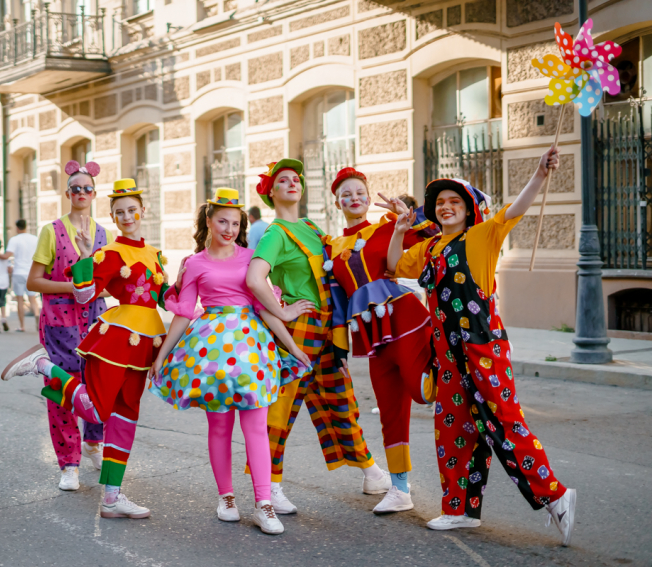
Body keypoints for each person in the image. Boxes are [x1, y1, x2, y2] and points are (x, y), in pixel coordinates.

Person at [387, 147, 577, 545]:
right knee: (453, 428)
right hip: (448, 355)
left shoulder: (483, 235)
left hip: (481, 347)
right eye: (439, 203)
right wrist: (400, 230)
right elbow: (393, 266)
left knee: (504, 423)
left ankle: (556, 495)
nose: (445, 207)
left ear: (469, 208)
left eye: (454, 201)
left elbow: (517, 208)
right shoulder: (429, 249)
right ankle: (458, 510)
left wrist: (540, 175)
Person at [3, 178, 171, 519]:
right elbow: (84, 295)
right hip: (114, 341)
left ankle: (112, 497)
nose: (127, 217)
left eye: (132, 210)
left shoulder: (154, 254)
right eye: (120, 212)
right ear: (112, 215)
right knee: (97, 411)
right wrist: (84, 259)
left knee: (125, 420)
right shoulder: (110, 252)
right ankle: (44, 366)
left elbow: (164, 297)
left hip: (144, 346)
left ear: (143, 210)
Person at [147, 188, 312, 535]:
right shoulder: (194, 264)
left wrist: (293, 347)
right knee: (219, 427)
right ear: (208, 220)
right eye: (222, 221)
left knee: (255, 426)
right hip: (210, 355)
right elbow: (182, 314)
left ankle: (264, 504)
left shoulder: (251, 258)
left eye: (235, 223)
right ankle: (226, 498)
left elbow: (264, 308)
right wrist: (162, 356)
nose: (229, 229)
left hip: (252, 352)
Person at [244, 159, 390, 515]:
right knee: (281, 408)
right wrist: (283, 312)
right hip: (298, 328)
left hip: (327, 327)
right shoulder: (275, 233)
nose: (292, 183)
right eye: (283, 180)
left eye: (296, 179)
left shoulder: (310, 226)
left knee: (341, 398)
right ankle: (270, 485)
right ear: (271, 192)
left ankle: (370, 471)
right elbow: (254, 278)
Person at [325, 168, 436, 514]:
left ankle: (456, 371)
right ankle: (400, 488)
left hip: (405, 317)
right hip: (371, 333)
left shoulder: (389, 225)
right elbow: (336, 301)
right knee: (389, 407)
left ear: (367, 194)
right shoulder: (330, 246)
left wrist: (410, 216)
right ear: (337, 201)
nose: (354, 197)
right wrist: (339, 346)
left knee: (421, 390)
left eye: (359, 191)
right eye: (346, 193)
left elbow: (436, 242)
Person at [2, 160, 111, 491]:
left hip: (95, 322)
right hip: (59, 323)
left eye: (87, 189)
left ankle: (93, 442)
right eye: (75, 188)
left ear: (94, 194)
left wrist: (92, 289)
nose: (81, 193)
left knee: (99, 386)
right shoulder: (51, 231)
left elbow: (107, 285)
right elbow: (34, 281)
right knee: (63, 393)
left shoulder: (104, 233)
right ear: (67, 193)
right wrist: (73, 288)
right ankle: (69, 463)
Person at [0, 219, 40, 332]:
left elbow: (6, 256)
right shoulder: (34, 239)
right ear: (26, 226)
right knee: (32, 299)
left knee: (20, 299)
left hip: (19, 272)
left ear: (17, 228)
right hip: (31, 272)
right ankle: (38, 323)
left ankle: (22, 326)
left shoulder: (14, 240)